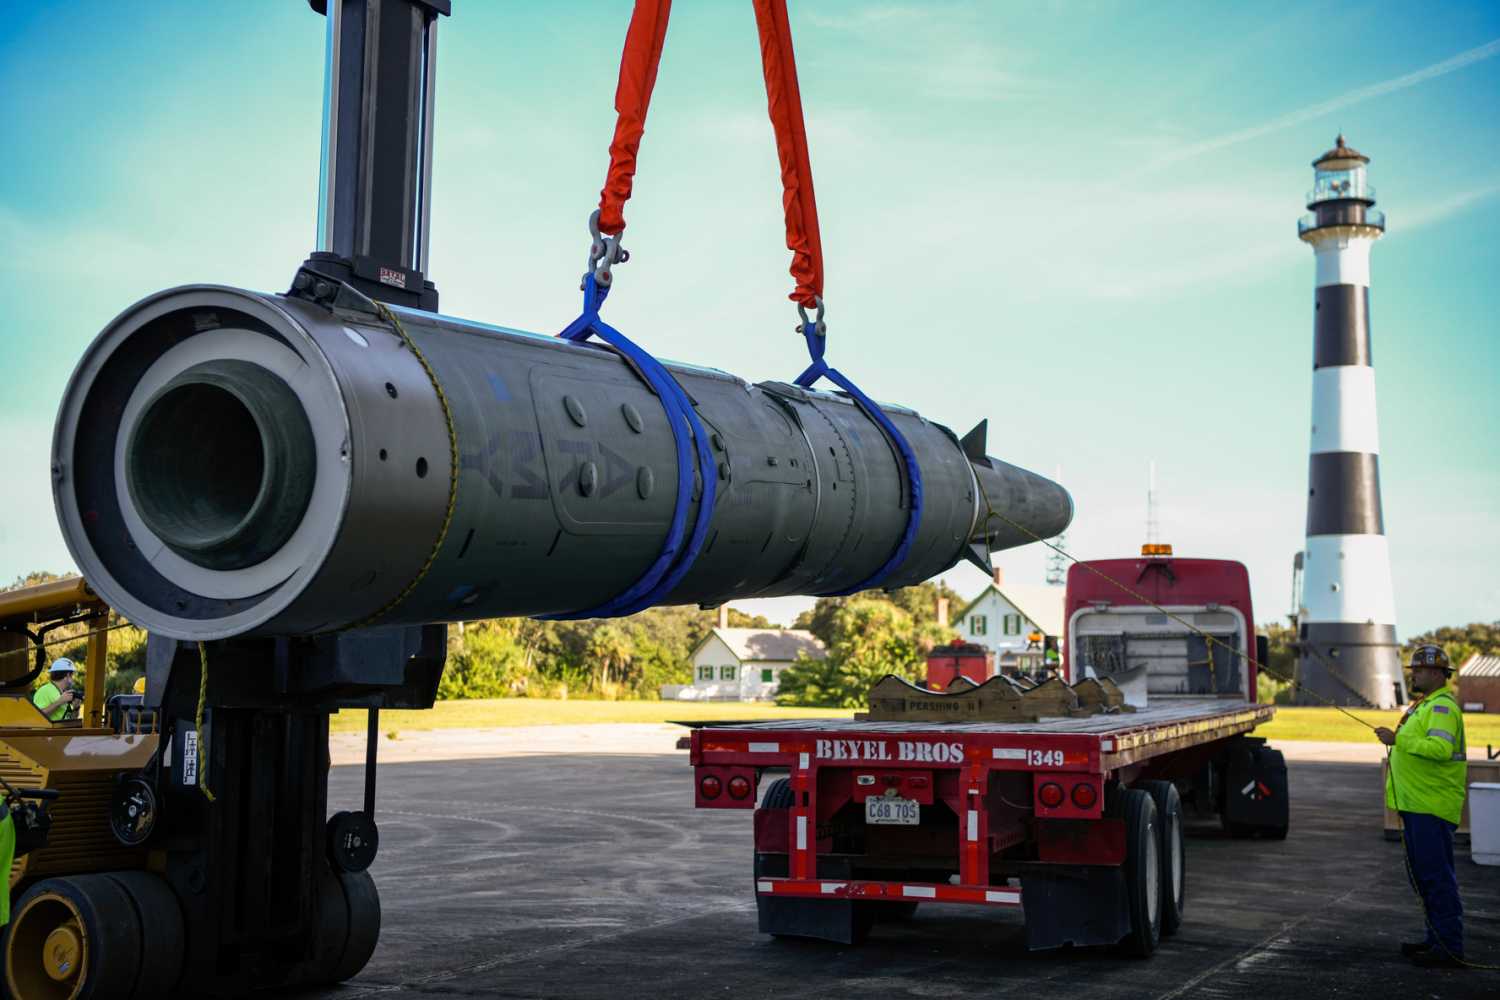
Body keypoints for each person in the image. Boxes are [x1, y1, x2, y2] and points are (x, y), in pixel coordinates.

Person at [1375, 644, 1467, 968]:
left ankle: (1450, 946)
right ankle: (1435, 939)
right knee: (1423, 877)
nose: (1414, 674)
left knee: (1436, 877)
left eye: (1421, 669)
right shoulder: (1423, 705)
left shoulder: (1442, 708)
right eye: (1414, 668)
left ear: (1439, 674)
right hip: (1418, 806)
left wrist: (1398, 740)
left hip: (1431, 806)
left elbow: (1440, 748)